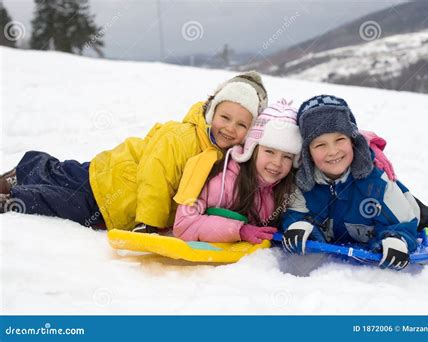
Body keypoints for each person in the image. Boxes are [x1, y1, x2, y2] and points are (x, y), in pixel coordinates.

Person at [0, 71, 268, 231]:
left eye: (242, 124)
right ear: (212, 113)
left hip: (116, 172)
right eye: (225, 118)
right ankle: (13, 196)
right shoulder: (185, 137)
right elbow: (155, 175)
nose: (231, 129)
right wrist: (149, 222)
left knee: (65, 173)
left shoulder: (232, 155)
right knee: (62, 201)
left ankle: (32, 165)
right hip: (116, 190)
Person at [281, 95, 428, 270]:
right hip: (354, 218)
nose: (332, 151)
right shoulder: (304, 184)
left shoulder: (378, 184)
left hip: (402, 207)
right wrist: (298, 224)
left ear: (353, 141)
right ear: (307, 153)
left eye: (340, 140)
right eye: (320, 145)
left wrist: (396, 238)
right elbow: (293, 213)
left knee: (425, 222)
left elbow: (404, 223)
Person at [173, 99, 302, 244]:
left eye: (287, 156)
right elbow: (183, 225)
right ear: (251, 149)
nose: (277, 163)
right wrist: (238, 230)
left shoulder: (285, 188)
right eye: (269, 152)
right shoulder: (225, 182)